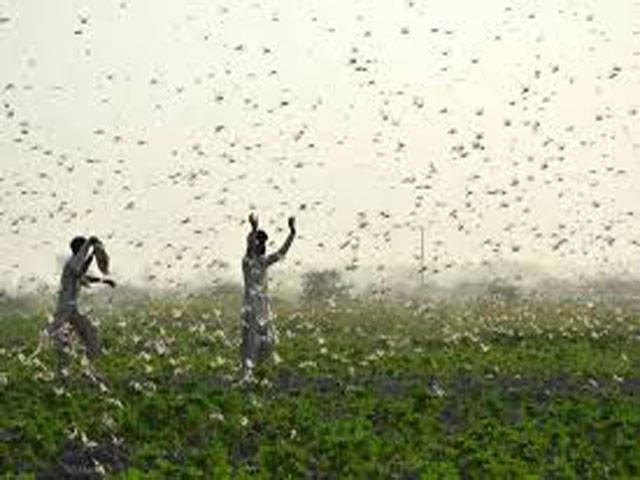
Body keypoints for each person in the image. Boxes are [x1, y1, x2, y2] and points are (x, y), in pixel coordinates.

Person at [46, 236, 116, 375]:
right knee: (63, 343)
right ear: (79, 250)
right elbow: (79, 267)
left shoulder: (74, 266)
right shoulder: (71, 263)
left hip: (71, 309)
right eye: (83, 249)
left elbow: (83, 274)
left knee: (90, 335)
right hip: (65, 310)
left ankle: (88, 369)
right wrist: (90, 242)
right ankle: (63, 375)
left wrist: (104, 280)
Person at [240, 213, 296, 381]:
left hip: (263, 307)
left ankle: (255, 371)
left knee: (268, 342)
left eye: (263, 242)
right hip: (251, 307)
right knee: (250, 341)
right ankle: (246, 374)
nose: (261, 244)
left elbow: (281, 253)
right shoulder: (247, 261)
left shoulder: (264, 262)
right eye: (259, 241)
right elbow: (249, 245)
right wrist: (254, 229)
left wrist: (292, 233)